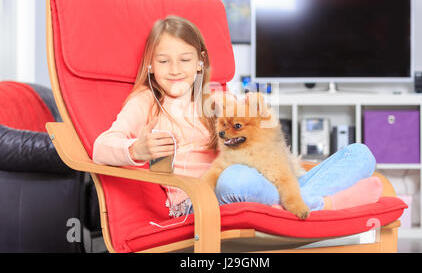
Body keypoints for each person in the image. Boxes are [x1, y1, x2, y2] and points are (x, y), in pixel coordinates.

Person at [92, 15, 382, 220]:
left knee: (361, 153)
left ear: (200, 62)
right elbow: (101, 147)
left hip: (259, 182)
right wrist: (135, 150)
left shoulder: (214, 97)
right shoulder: (146, 103)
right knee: (234, 178)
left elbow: (262, 139)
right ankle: (326, 204)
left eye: (185, 59)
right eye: (164, 61)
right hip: (197, 202)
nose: (175, 69)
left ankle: (302, 203)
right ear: (151, 66)